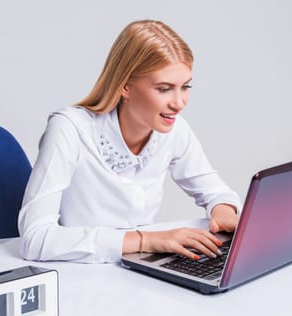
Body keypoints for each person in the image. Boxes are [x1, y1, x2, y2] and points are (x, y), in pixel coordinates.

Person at [18, 19, 241, 264]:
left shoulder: (174, 129)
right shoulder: (69, 128)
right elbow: (35, 239)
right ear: (126, 86)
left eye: (185, 86)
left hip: (138, 272)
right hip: (76, 274)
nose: (179, 103)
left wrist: (223, 211)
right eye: (164, 88)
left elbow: (216, 192)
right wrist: (146, 240)